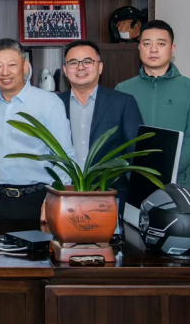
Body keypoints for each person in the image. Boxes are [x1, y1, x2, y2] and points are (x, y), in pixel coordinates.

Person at [0, 38, 74, 220]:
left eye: (12, 65)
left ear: (25, 66)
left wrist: (54, 198)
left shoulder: (48, 102)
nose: (5, 72)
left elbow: (64, 155)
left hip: (38, 199)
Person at [116, 20, 190, 190]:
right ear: (139, 47)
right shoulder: (123, 89)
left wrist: (164, 170)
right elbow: (119, 140)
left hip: (178, 184)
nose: (153, 49)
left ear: (172, 49)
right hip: (134, 182)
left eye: (161, 44)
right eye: (147, 43)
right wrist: (137, 172)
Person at [58, 40, 143, 212]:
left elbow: (137, 154)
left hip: (109, 196)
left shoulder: (122, 102)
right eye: (73, 63)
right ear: (65, 70)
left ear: (100, 67)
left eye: (87, 61)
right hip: (65, 195)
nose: (80, 67)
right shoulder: (54, 104)